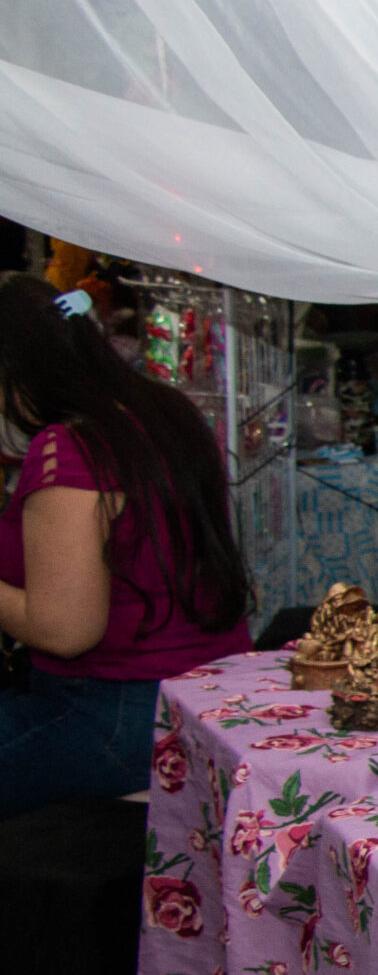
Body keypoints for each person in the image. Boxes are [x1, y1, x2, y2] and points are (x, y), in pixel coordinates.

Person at [0, 276, 252, 814]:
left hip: (118, 713)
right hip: (203, 697)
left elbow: (65, 630)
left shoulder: (69, 448)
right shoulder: (166, 412)